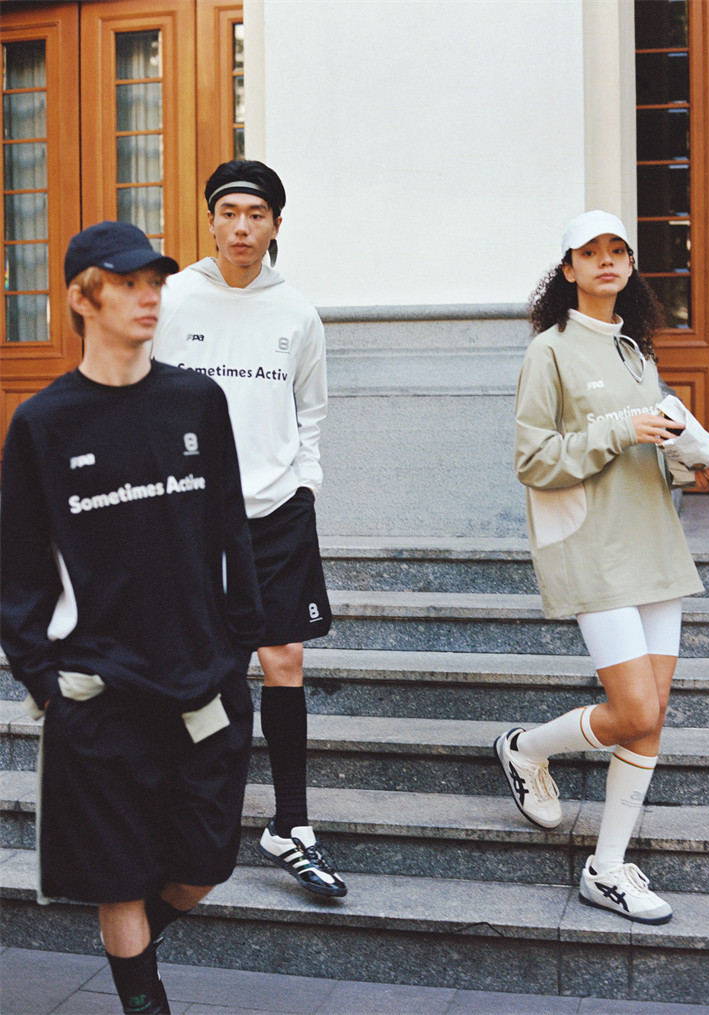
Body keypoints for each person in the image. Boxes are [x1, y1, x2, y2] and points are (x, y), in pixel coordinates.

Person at [0, 221, 266, 1013]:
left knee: (203, 866)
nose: (150, 295)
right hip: (99, 691)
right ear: (83, 297)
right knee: (116, 876)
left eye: (156, 281)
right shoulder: (43, 424)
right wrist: (48, 684)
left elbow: (231, 530)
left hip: (204, 683)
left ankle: (135, 950)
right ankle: (144, 1002)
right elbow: (15, 573)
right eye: (128, 282)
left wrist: (238, 647)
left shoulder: (197, 399)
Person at [494, 210, 709, 925]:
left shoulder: (636, 350)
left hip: (654, 539)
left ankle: (607, 865)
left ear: (630, 267)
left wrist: (690, 455)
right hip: (593, 547)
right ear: (567, 269)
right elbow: (533, 458)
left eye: (616, 250)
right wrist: (619, 429)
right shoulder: (550, 351)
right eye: (588, 252)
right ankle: (524, 747)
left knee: (650, 719)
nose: (604, 261)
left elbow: (644, 449)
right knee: (633, 709)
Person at [151, 160, 346, 899]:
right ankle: (200, 817)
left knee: (286, 655)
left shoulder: (296, 311)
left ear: (275, 225)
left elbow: (313, 411)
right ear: (210, 219)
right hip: (193, 515)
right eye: (229, 211)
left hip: (275, 512)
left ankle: (290, 824)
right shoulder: (173, 298)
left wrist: (306, 484)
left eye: (256, 214)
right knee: (213, 666)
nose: (241, 226)